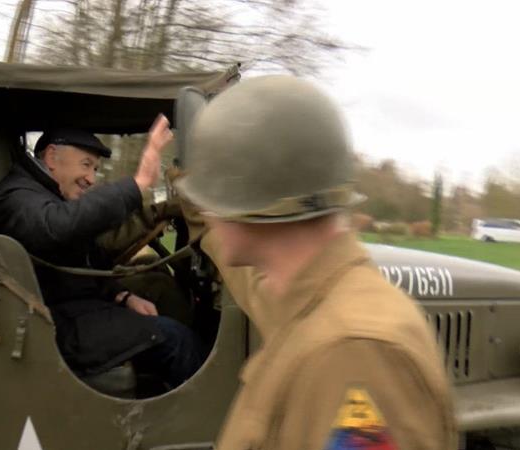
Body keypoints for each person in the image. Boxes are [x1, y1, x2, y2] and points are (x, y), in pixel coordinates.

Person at [174, 76, 457, 449]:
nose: (207, 212)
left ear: (254, 206)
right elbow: (247, 281)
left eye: (214, 199)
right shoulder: (299, 301)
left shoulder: (354, 355)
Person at [0, 116, 203, 390]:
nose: (91, 178)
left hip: (66, 312)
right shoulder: (15, 197)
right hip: (51, 325)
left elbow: (81, 262)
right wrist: (139, 182)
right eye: (86, 165)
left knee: (162, 315)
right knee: (176, 339)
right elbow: (58, 226)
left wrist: (122, 296)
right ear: (51, 156)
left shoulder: (42, 195)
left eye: (95, 169)